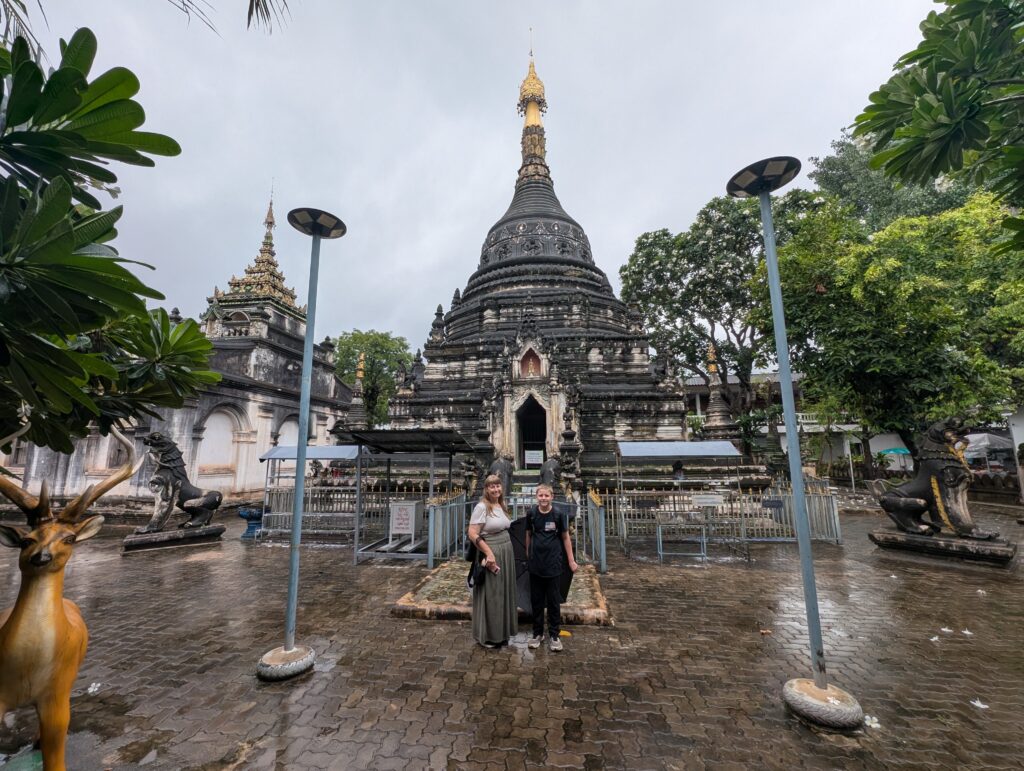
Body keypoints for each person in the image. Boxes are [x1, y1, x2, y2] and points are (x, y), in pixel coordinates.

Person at [525, 483, 578, 652]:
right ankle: (537, 633)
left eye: (546, 495)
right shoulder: (531, 514)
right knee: (537, 601)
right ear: (536, 497)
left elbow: (565, 537)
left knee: (554, 601)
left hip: (553, 563)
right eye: (540, 495)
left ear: (552, 497)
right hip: (536, 564)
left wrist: (571, 560)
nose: (543, 498)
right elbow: (528, 534)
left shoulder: (558, 515)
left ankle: (554, 635)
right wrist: (528, 555)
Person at [467, 474, 518, 648]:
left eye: (498, 486)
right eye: (492, 486)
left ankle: (502, 632)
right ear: (486, 489)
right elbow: (472, 533)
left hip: (505, 551)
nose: (495, 489)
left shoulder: (501, 505)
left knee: (503, 592)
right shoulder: (482, 507)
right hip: (492, 551)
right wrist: (488, 553)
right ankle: (489, 636)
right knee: (492, 593)